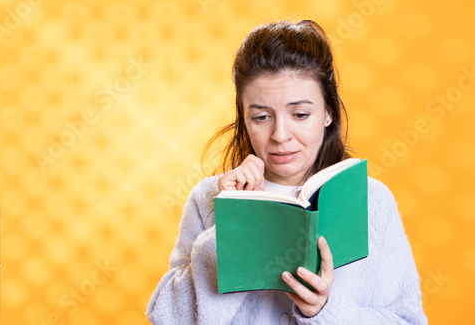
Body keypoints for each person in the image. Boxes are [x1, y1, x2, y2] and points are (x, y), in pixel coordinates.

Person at [146, 19, 428, 324]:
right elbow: (167, 318)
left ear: (328, 113)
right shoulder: (209, 199)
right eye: (262, 116)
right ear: (244, 118)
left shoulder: (371, 201)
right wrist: (233, 227)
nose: (280, 134)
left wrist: (325, 311)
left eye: (300, 114)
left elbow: (408, 321)